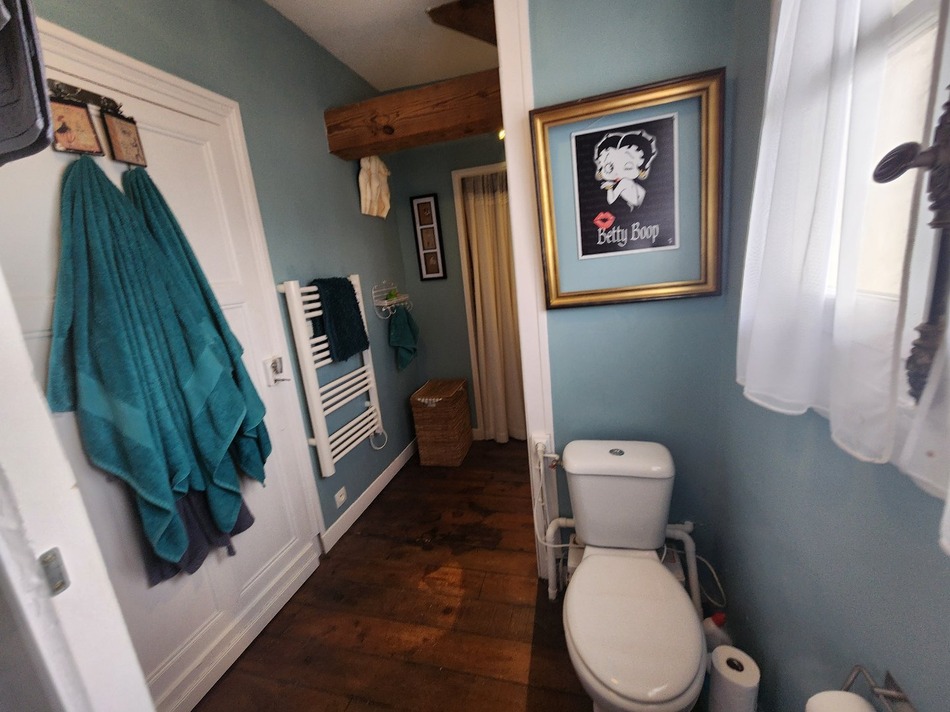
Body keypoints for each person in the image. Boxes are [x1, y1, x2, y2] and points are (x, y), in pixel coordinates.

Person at [593, 129, 657, 210]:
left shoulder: (625, 182)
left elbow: (611, 200)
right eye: (609, 167)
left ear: (640, 169)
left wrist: (609, 188)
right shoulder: (630, 184)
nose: (617, 173)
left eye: (628, 167)